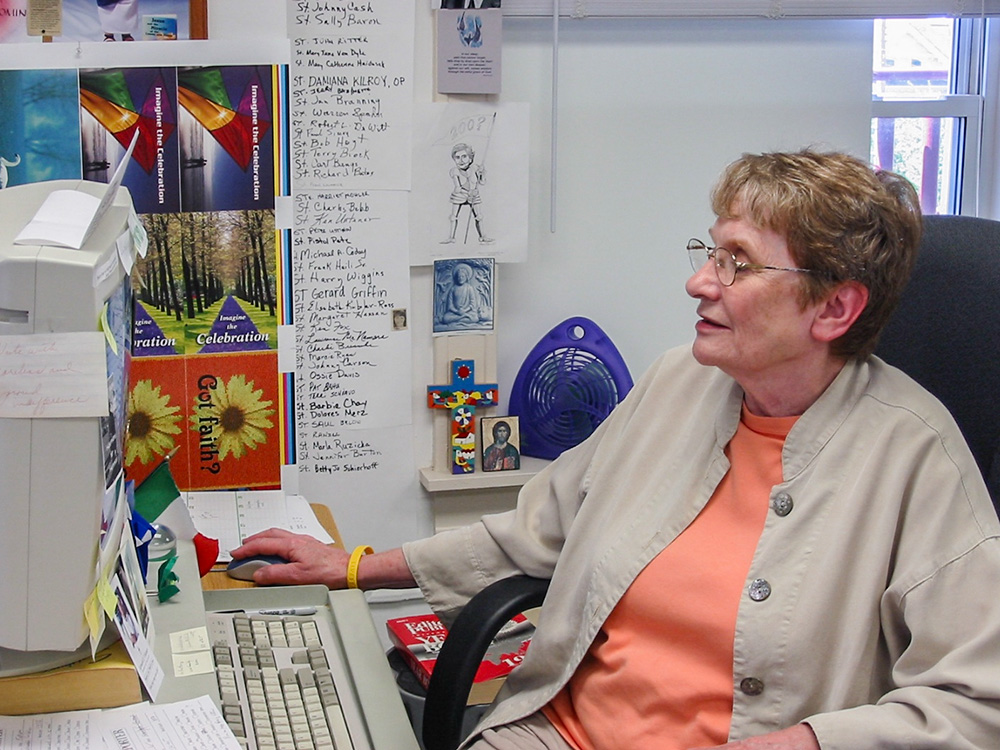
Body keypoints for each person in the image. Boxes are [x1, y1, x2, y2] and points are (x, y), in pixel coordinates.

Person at [232, 150, 1000, 749]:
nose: (699, 281)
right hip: (552, 733)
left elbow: (976, 703)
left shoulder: (915, 456)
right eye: (711, 250)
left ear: (834, 307)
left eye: (738, 262)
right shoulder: (676, 384)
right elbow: (535, 532)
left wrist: (801, 743)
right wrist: (356, 567)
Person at [442, 143, 493, 245]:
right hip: (460, 194)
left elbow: (482, 182)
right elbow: (457, 188)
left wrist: (482, 174)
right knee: (453, 216)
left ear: (470, 158)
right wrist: (466, 192)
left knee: (479, 216)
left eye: (464, 156)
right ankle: (451, 237)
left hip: (474, 195)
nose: (461, 160)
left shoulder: (475, 168)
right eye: (457, 157)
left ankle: (482, 236)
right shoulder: (454, 171)